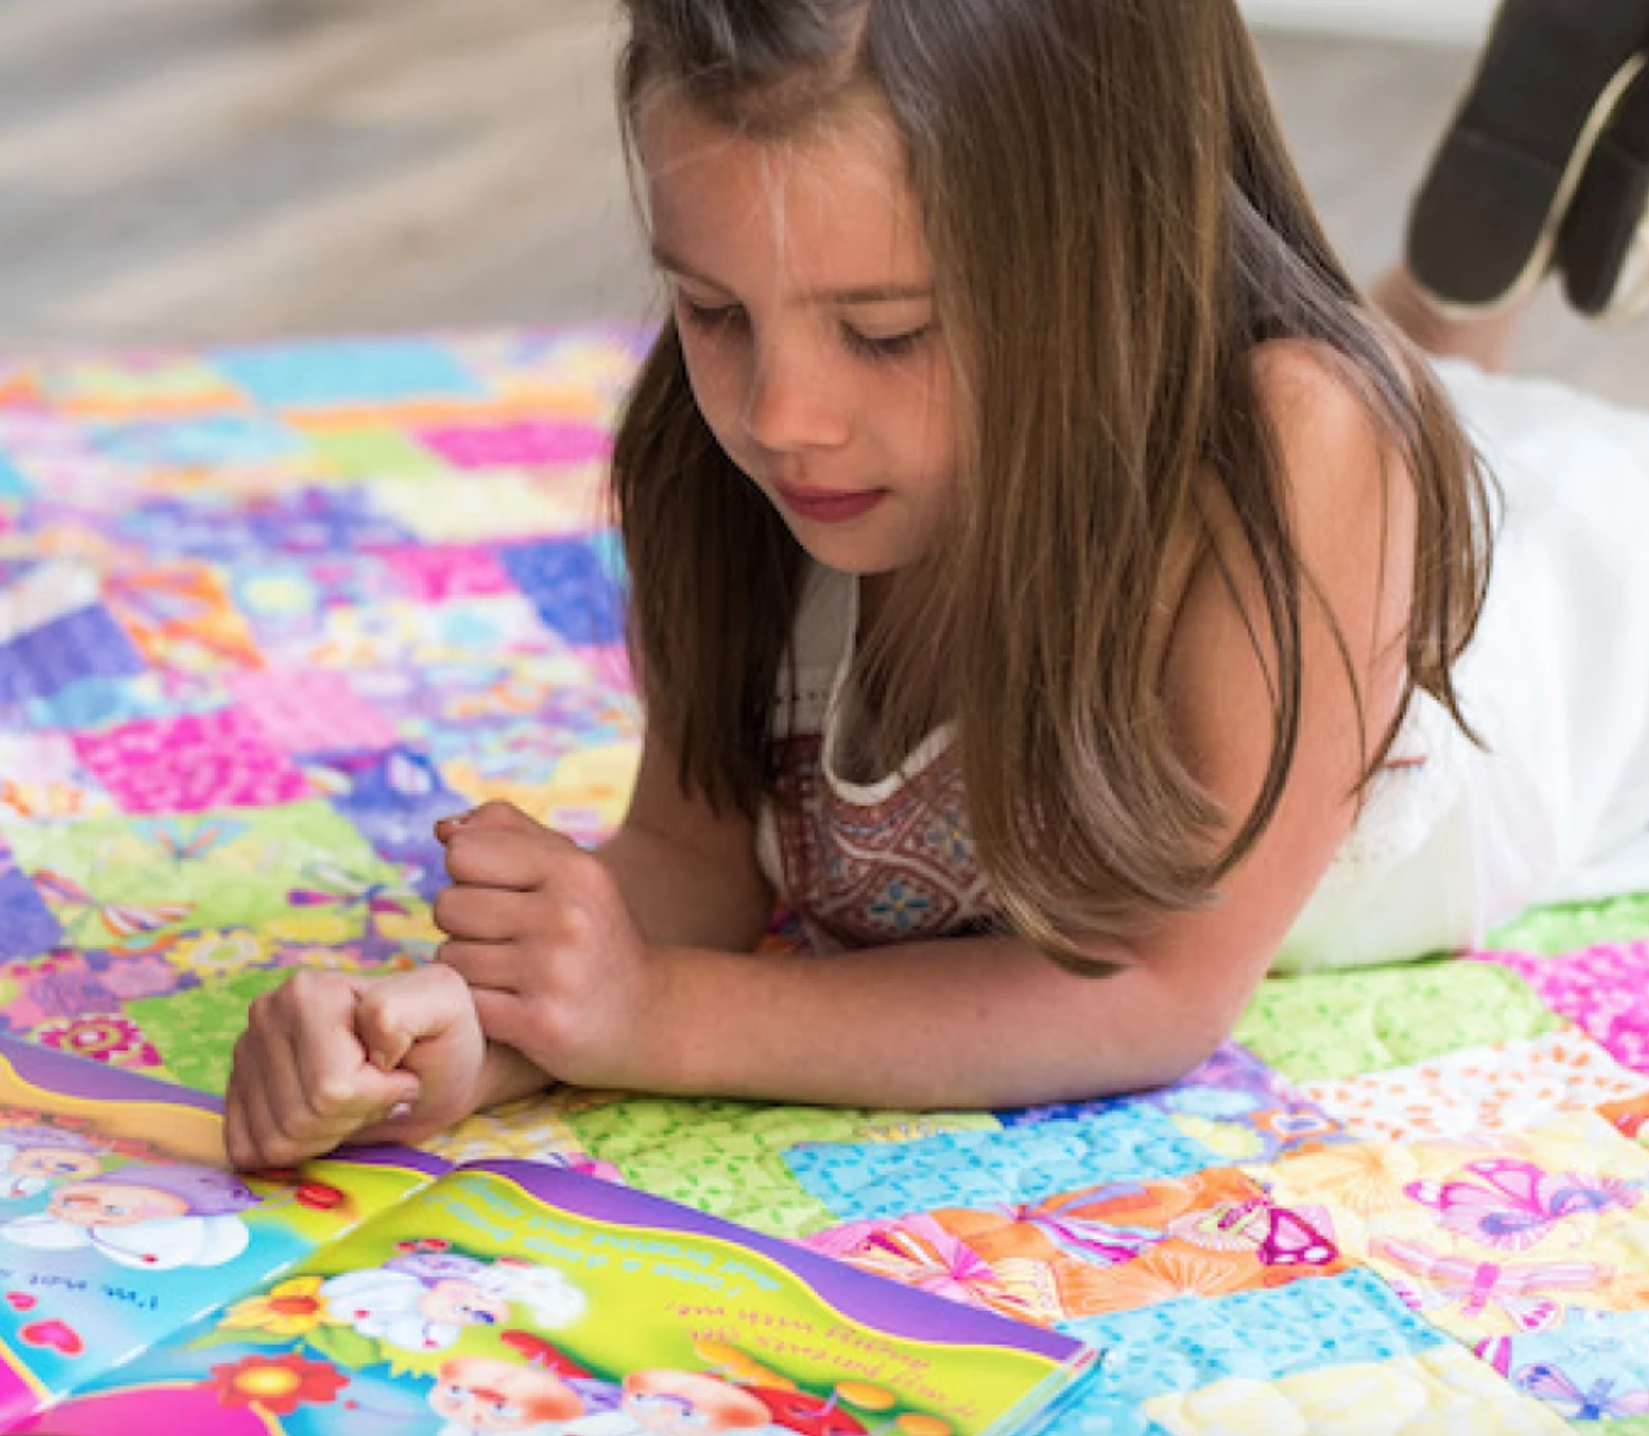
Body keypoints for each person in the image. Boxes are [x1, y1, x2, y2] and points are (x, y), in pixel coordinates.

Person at [221, 0, 1649, 1171]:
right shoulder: (729, 447)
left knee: (1386, 425)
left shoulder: (1294, 455)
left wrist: (663, 1017)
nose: (782, 412)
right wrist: (460, 1030)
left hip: (1581, 619)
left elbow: (1144, 996)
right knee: (1402, 412)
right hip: (1334, 505)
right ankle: (1458, 298)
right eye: (712, 309)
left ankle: (1445, 319)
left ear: (1111, 262)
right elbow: (686, 867)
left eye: (886, 331)